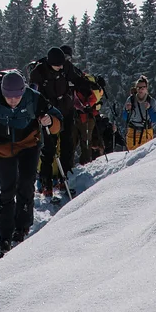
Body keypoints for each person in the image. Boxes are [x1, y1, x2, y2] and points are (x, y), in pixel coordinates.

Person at [0, 68, 60, 259]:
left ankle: (22, 227)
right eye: (9, 97)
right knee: (7, 191)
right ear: (2, 91)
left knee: (26, 184)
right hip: (3, 150)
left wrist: (50, 120)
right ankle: (4, 236)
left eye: (16, 97)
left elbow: (58, 120)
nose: (12, 101)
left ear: (22, 92)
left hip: (28, 146)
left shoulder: (34, 98)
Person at [28, 45, 91, 198]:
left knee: (68, 144)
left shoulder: (66, 67)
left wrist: (86, 91)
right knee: (49, 147)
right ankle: (46, 181)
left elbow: (78, 79)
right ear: (50, 63)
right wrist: (40, 113)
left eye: (62, 64)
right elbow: (33, 94)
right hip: (49, 114)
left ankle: (65, 179)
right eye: (58, 65)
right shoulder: (39, 72)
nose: (61, 67)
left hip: (67, 110)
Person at [122, 75, 156, 150]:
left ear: (146, 88)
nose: (141, 90)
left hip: (146, 132)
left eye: (143, 87)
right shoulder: (131, 100)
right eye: (138, 87)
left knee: (144, 156)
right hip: (132, 132)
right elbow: (125, 117)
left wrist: (149, 109)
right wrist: (127, 110)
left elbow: (154, 119)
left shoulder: (151, 101)